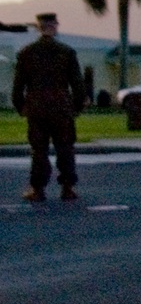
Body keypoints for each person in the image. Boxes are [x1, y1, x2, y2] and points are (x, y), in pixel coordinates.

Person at [13, 13, 86, 203]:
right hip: (61, 106)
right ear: (55, 26)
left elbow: (18, 85)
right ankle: (68, 188)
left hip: (37, 107)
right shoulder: (67, 52)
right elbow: (77, 84)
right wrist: (76, 107)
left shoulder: (26, 53)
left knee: (39, 150)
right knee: (65, 148)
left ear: (38, 27)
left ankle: (38, 189)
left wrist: (21, 106)